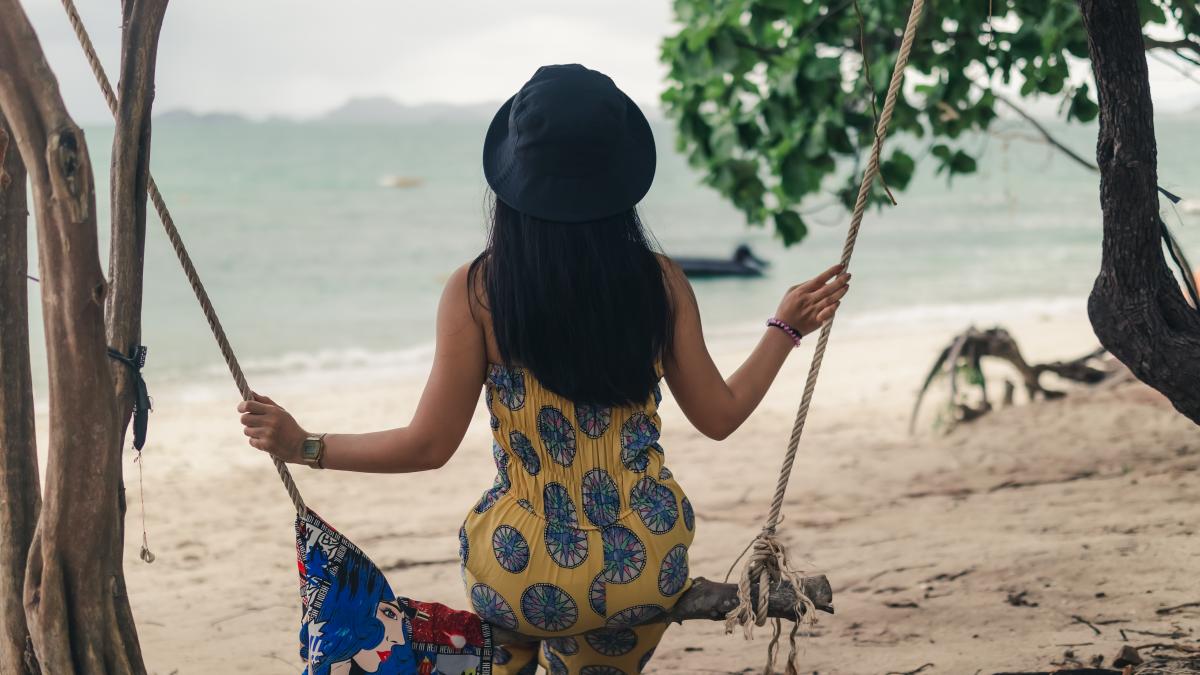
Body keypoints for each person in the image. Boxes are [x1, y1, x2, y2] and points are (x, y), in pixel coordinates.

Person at [239, 63, 850, 674]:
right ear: (620, 177)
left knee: (502, 644)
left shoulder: (478, 290)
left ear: (513, 176)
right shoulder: (658, 284)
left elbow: (426, 445)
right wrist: (784, 330)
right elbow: (719, 417)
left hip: (518, 565)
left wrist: (306, 445)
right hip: (640, 564)